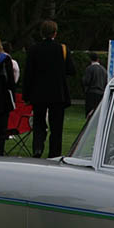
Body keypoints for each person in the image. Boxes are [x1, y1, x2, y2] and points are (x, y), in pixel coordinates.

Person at [22, 19, 75, 159]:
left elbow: (28, 74)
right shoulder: (62, 49)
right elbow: (71, 70)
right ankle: (54, 153)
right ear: (55, 33)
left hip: (38, 93)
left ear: (41, 33)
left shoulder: (34, 49)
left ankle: (38, 147)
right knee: (56, 126)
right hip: (57, 93)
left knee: (39, 123)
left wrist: (26, 95)